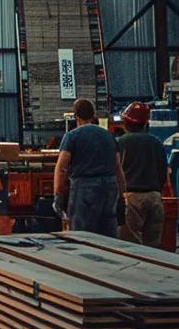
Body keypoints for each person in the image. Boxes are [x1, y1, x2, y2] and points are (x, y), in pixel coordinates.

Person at [54, 98, 124, 235]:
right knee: (108, 238)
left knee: (82, 237)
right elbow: (117, 167)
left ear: (76, 116)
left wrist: (58, 195)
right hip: (109, 189)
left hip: (84, 191)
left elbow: (61, 168)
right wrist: (121, 195)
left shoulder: (72, 136)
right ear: (93, 116)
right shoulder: (108, 136)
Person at [116, 102, 167, 247]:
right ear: (146, 122)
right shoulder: (155, 142)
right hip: (154, 197)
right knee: (153, 247)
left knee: (130, 247)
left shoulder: (121, 143)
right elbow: (163, 171)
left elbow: (115, 171)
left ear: (126, 122)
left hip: (131, 199)